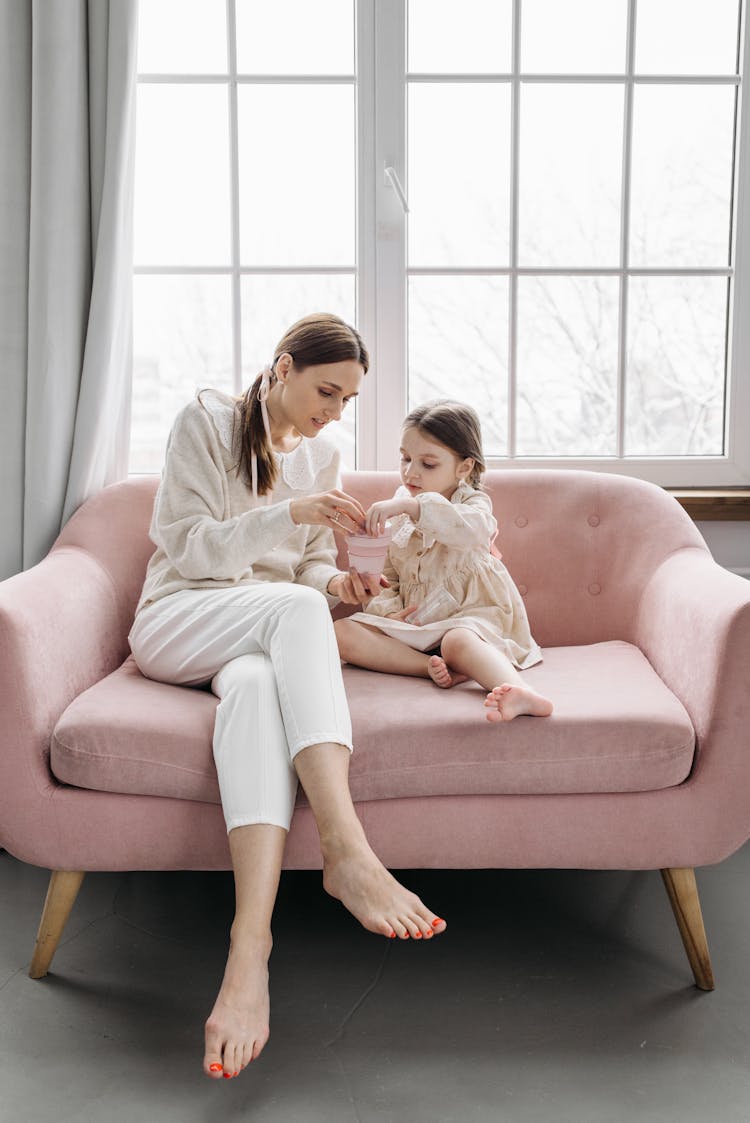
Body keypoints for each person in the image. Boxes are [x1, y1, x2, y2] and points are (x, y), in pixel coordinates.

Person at [128, 314, 446, 1083]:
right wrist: (291, 515)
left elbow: (300, 579)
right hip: (179, 618)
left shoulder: (323, 455)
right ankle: (346, 847)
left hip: (255, 639)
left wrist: (340, 584)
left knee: (259, 687)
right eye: (325, 391)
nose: (333, 412)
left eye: (347, 400)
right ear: (282, 368)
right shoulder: (205, 423)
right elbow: (188, 546)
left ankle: (249, 952)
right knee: (291, 616)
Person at [334, 399, 554, 722]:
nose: (411, 472)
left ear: (464, 467)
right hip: (419, 628)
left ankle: (520, 691)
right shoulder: (400, 506)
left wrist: (414, 508)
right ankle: (428, 668)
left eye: (428, 464)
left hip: (473, 618)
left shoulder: (472, 503)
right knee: (342, 632)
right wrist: (389, 611)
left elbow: (472, 530)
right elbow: (390, 575)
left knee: (457, 641)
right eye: (406, 458)